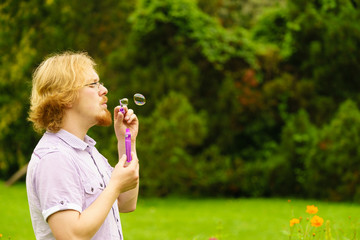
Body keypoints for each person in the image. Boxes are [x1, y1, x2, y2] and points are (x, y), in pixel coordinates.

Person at [26, 51, 140, 240]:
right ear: (65, 96)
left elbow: (126, 203)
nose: (103, 90)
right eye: (93, 84)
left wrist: (126, 141)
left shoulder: (87, 151)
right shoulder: (54, 157)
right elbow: (70, 235)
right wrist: (114, 185)